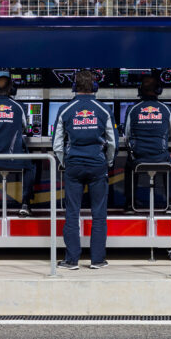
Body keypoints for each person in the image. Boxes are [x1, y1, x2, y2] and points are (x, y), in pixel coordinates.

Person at [53, 71, 118, 270]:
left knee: (72, 212)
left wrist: (65, 162)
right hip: (97, 164)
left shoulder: (65, 109)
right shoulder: (104, 109)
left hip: (74, 165)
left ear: (74, 87)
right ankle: (97, 260)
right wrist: (106, 162)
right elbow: (113, 143)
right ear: (95, 88)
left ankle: (71, 260)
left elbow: (57, 144)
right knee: (99, 213)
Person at [0, 76, 36, 218]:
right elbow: (24, 128)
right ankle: (25, 205)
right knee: (31, 166)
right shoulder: (20, 106)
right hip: (13, 159)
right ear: (12, 90)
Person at [123, 75, 171, 214]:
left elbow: (126, 134)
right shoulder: (165, 109)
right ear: (159, 90)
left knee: (129, 164)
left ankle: (129, 203)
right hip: (160, 157)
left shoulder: (133, 109)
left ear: (140, 90)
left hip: (139, 158)